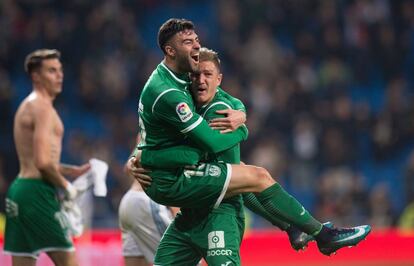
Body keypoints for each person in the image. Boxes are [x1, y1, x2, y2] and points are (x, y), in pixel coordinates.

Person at [132, 18, 371, 264]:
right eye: (187, 43)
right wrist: (243, 128)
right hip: (173, 182)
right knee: (254, 176)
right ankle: (320, 233)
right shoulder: (172, 92)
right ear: (170, 51)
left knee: (248, 174)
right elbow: (211, 146)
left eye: (196, 41)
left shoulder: (201, 92)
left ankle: (306, 230)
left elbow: (210, 115)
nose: (200, 79)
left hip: (205, 206)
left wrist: (241, 112)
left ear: (220, 79)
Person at [3, 49, 90, 266]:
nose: (59, 75)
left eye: (60, 70)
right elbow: (42, 163)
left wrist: (72, 171)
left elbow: (36, 159)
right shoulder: (41, 107)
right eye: (52, 71)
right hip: (37, 192)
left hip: (20, 191)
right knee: (69, 262)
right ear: (36, 76)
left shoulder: (30, 105)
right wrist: (67, 187)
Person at [119, 137, 178, 266]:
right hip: (151, 203)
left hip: (130, 200)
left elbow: (128, 167)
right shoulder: (183, 123)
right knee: (184, 260)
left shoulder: (147, 123)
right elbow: (176, 173)